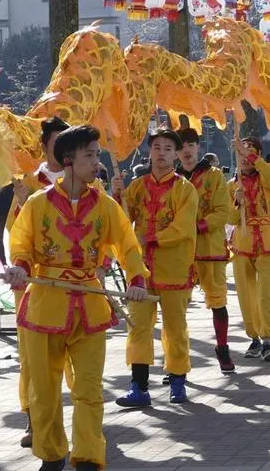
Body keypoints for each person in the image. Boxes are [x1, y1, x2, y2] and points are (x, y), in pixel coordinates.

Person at [4, 125, 148, 471]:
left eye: (97, 154)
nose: (96, 161)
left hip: (89, 305)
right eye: (90, 155)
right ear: (68, 161)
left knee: (89, 388)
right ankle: (52, 455)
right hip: (44, 305)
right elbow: (21, 245)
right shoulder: (37, 204)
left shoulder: (105, 205)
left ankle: (87, 457)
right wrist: (19, 267)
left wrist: (137, 279)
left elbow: (127, 245)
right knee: (45, 389)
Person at [114, 128, 198, 407]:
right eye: (156, 147)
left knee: (175, 328)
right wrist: (116, 196)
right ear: (149, 152)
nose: (161, 153)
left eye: (167, 148)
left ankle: (177, 380)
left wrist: (150, 238)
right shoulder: (136, 188)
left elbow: (184, 227)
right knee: (138, 326)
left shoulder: (185, 189)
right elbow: (122, 221)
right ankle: (139, 385)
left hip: (173, 268)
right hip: (141, 269)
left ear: (175, 154)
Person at [5, 115, 70, 448]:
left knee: (76, 357)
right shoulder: (28, 183)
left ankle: (88, 421)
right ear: (44, 145)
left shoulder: (88, 181)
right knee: (32, 357)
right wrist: (18, 201)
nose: (61, 148)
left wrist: (102, 266)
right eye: (56, 141)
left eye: (67, 141)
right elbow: (16, 236)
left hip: (75, 285)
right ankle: (34, 420)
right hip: (37, 285)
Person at [176, 126, 235, 373]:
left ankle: (222, 348)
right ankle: (177, 359)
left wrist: (198, 225)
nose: (187, 151)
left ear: (198, 146)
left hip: (209, 247)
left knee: (218, 301)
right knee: (175, 305)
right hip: (178, 251)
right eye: (181, 147)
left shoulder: (213, 176)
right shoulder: (171, 179)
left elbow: (224, 212)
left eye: (191, 145)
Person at [229, 137, 270, 360]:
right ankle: (253, 338)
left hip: (267, 241)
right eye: (240, 154)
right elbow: (231, 218)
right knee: (246, 294)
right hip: (242, 242)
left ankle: (268, 339)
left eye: (250, 154)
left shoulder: (268, 177)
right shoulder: (231, 185)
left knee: (266, 293)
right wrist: (236, 202)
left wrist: (250, 154)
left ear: (258, 155)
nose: (245, 159)